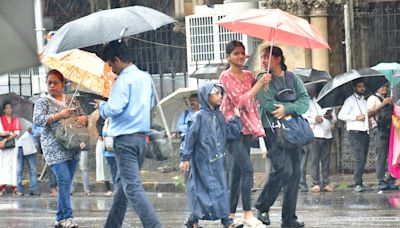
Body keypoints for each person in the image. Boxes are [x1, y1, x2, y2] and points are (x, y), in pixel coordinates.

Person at [94, 40, 161, 228]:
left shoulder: (123, 80)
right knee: (122, 189)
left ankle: (154, 225)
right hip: (141, 139)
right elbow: (149, 106)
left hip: (125, 140)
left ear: (117, 60)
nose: (111, 70)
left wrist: (102, 107)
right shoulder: (145, 77)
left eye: (110, 65)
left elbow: (114, 108)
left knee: (131, 187)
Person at [255, 46, 309, 228]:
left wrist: (287, 108)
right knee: (284, 170)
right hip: (272, 130)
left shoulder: (293, 78)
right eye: (262, 58)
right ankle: (262, 207)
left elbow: (304, 101)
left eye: (266, 57)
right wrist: (288, 105)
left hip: (293, 130)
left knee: (295, 173)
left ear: (278, 59)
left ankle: (289, 218)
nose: (263, 61)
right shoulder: (263, 80)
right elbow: (267, 103)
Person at [219, 40, 270, 228]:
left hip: (247, 127)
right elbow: (239, 100)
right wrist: (257, 87)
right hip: (231, 129)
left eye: (242, 53)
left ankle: (230, 215)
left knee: (237, 172)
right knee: (248, 168)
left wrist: (264, 82)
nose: (240, 57)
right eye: (236, 54)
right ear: (228, 57)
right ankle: (247, 213)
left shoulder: (249, 75)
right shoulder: (225, 76)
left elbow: (254, 97)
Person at [179, 81, 242, 228]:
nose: (220, 96)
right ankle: (193, 219)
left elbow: (228, 133)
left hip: (217, 160)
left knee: (220, 190)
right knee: (201, 192)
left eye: (221, 93)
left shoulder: (219, 116)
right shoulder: (198, 117)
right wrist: (185, 157)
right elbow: (190, 138)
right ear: (207, 96)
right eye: (216, 93)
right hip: (201, 161)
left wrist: (236, 120)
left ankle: (227, 221)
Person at [33, 69, 88, 228]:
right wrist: (59, 115)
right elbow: (37, 120)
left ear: (62, 84)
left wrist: (83, 118)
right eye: (49, 82)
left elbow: (82, 116)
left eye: (55, 82)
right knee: (63, 179)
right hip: (53, 145)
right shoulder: (43, 102)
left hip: (72, 145)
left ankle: (59, 218)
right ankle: (68, 218)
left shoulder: (72, 99)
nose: (52, 86)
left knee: (66, 183)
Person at [338, 79, 370, 192]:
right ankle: (357, 183)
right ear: (355, 88)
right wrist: (355, 117)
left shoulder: (365, 101)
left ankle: (360, 181)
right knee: (359, 157)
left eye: (363, 86)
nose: (362, 88)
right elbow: (341, 115)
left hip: (365, 131)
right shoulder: (350, 100)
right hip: (355, 132)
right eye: (359, 86)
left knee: (364, 157)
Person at [303, 89, 336, 192]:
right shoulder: (309, 102)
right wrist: (314, 119)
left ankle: (326, 183)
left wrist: (330, 117)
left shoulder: (329, 102)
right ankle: (315, 183)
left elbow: (335, 118)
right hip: (315, 134)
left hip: (327, 135)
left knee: (326, 160)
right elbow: (304, 117)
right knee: (315, 159)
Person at [367, 84, 394, 190]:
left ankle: (391, 178)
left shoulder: (388, 98)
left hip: (390, 129)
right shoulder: (372, 98)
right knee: (381, 155)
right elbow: (368, 114)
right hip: (378, 130)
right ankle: (381, 180)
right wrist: (383, 104)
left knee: (391, 155)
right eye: (381, 86)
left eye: (386, 87)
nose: (384, 88)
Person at [0, 102, 21, 196]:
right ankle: (2, 187)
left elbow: (17, 133)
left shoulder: (15, 119)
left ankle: (15, 187)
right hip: (2, 144)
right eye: (7, 108)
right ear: (4, 110)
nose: (9, 109)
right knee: (3, 164)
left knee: (14, 164)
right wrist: (3, 134)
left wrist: (6, 139)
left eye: (10, 108)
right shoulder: (0, 120)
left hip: (12, 144)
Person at [96, 115, 117, 196]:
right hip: (107, 148)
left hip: (116, 148)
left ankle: (117, 188)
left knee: (116, 170)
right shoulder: (104, 118)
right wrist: (100, 134)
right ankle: (108, 188)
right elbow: (98, 124)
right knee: (107, 168)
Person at [16, 126, 41, 196]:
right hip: (20, 146)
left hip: (30, 146)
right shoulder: (22, 122)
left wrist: (32, 131)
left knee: (33, 170)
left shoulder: (38, 123)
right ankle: (18, 189)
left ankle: (33, 190)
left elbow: (38, 133)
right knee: (19, 169)